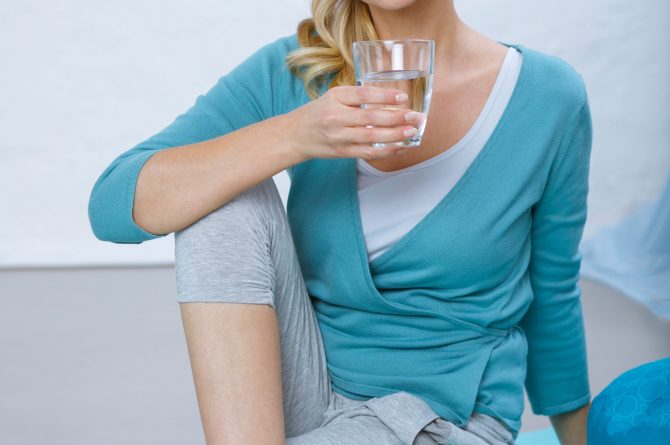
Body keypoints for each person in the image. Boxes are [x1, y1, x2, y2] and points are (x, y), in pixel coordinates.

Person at [88, 1, 593, 444]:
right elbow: (113, 206)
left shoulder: (547, 97)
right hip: (302, 391)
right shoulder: (297, 72)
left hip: (444, 417)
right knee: (222, 192)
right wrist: (294, 134)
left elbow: (552, 299)